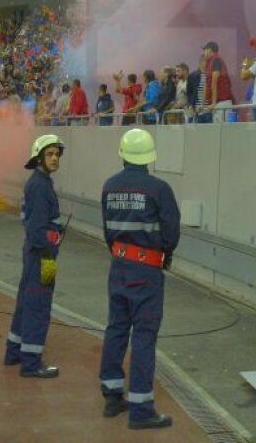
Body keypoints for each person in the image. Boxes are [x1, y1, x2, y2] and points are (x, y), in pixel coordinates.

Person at [98, 129, 180, 430]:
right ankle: (141, 409)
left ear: (123, 154)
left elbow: (108, 231)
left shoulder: (109, 186)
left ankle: (112, 395)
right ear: (149, 157)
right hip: (146, 272)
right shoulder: (159, 189)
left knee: (116, 328)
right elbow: (171, 233)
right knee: (144, 335)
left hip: (118, 266)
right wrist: (163, 254)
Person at [5, 134, 65, 378]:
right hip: (43, 256)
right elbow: (37, 228)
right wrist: (50, 248)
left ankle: (14, 351)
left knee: (25, 303)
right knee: (38, 306)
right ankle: (31, 363)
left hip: (34, 254)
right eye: (49, 154)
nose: (55, 158)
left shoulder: (39, 182)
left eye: (57, 154)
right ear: (39, 158)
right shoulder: (40, 186)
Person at [198, 42, 235, 122]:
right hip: (217, 104)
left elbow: (214, 82)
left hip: (222, 103)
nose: (204, 53)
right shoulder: (209, 64)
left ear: (209, 50)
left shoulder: (217, 60)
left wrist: (214, 103)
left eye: (205, 50)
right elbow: (206, 86)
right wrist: (202, 104)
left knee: (222, 129)